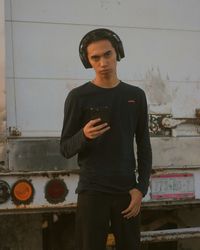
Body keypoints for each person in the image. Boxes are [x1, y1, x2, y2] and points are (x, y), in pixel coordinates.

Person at [60, 28, 152, 250]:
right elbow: (65, 148)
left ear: (117, 53)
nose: (103, 62)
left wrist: (140, 189)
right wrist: (84, 135)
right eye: (95, 57)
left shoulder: (135, 96)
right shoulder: (78, 97)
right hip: (92, 192)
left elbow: (144, 145)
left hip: (126, 192)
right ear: (88, 61)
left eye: (107, 54)